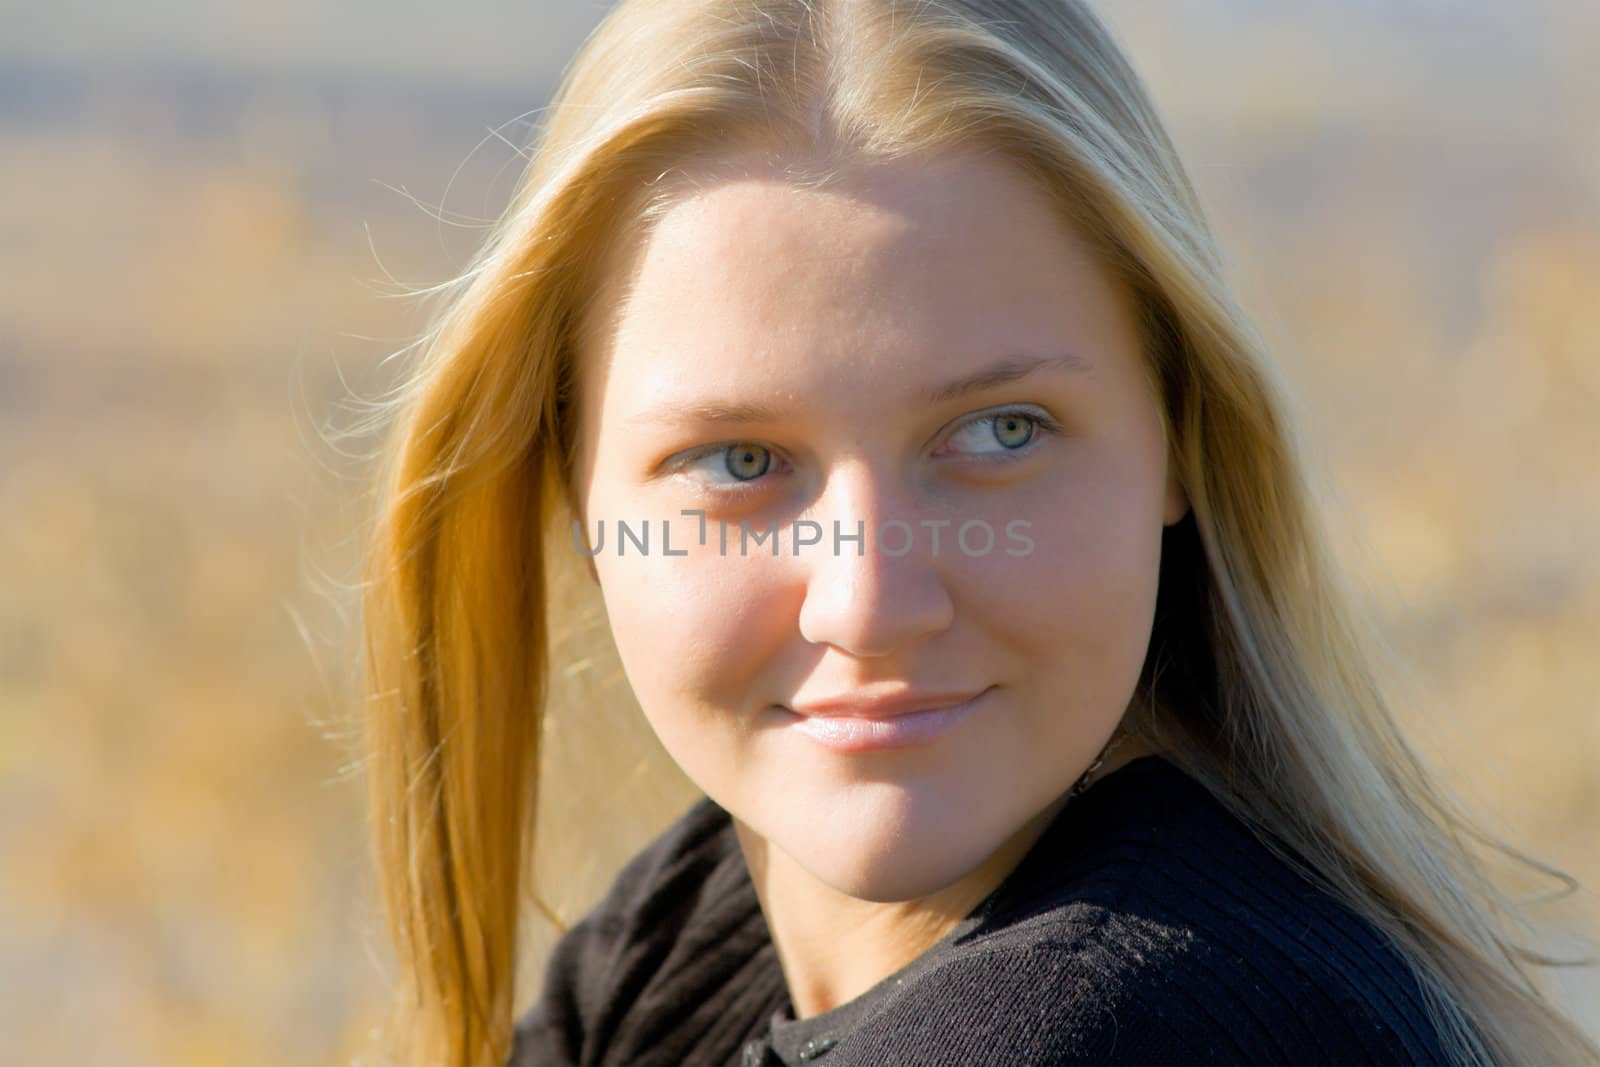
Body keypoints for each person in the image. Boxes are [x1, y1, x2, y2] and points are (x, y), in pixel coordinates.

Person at [354, 1, 1600, 1065]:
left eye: (1000, 432)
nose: (871, 600)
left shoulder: (1105, 1024)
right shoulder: (707, 921)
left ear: (1182, 431)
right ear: (574, 490)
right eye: (739, 462)